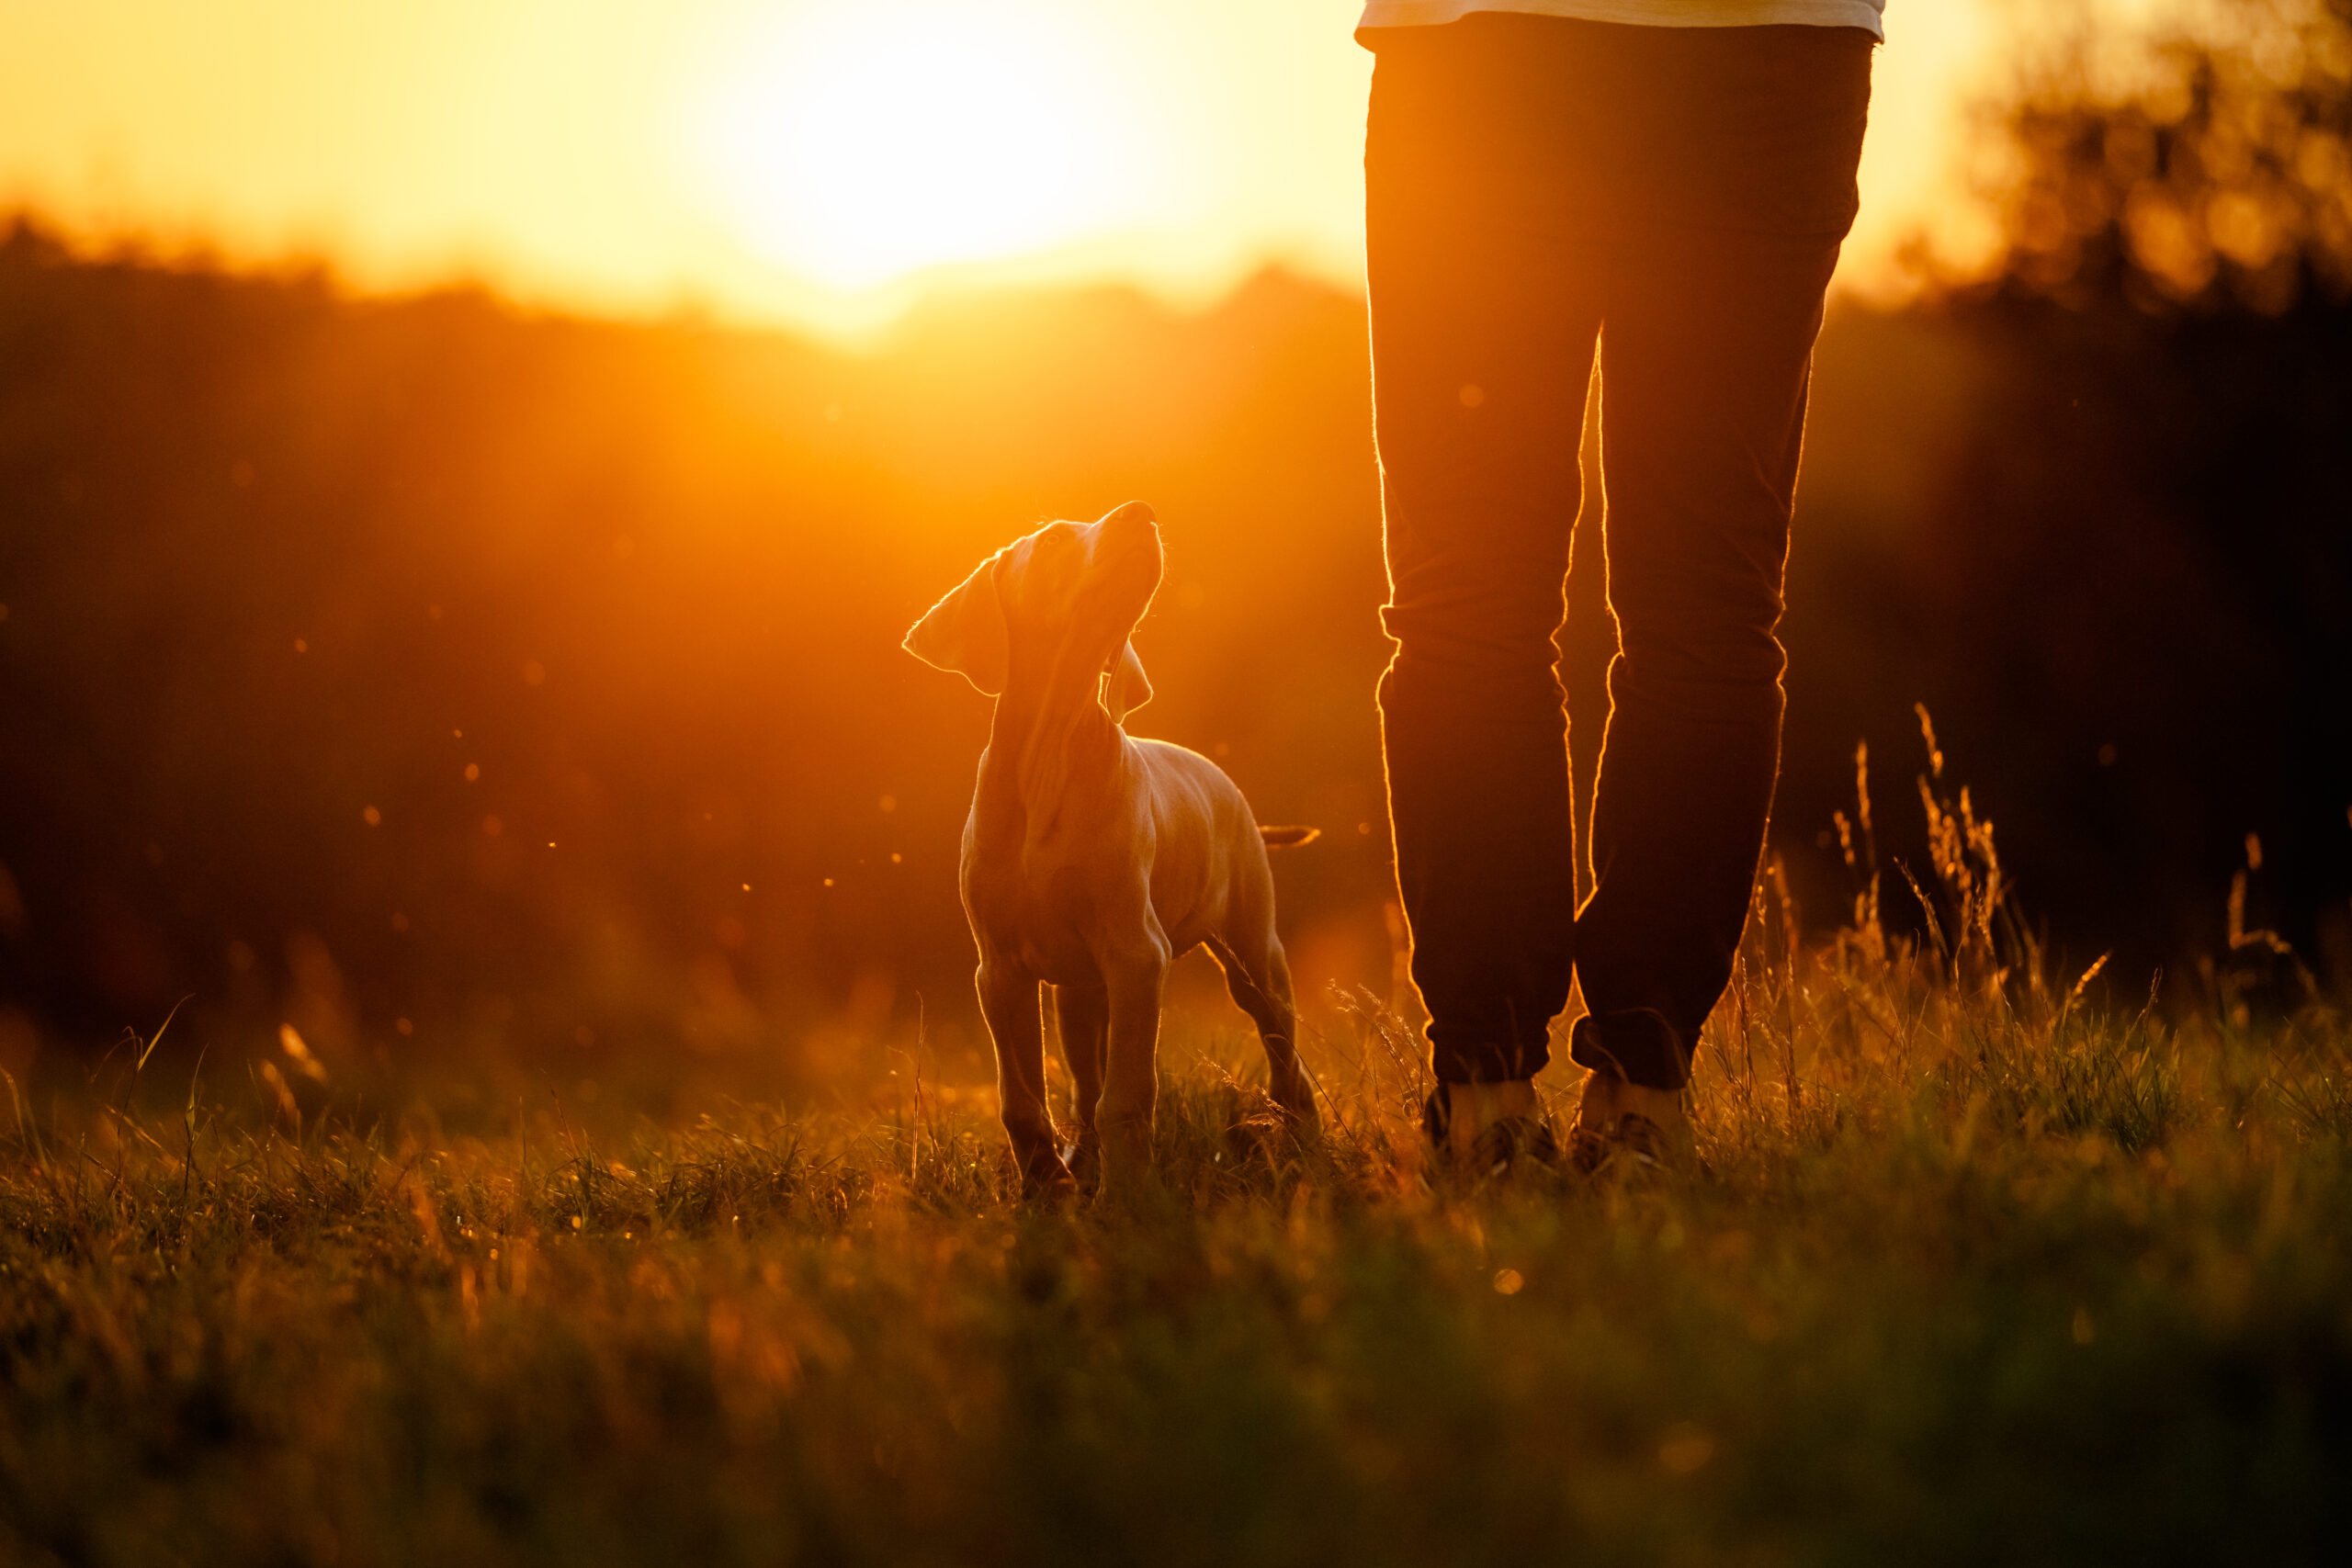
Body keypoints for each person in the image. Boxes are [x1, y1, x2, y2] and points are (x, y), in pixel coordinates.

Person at [1357, 0, 1883, 1173]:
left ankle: (1487, 1095)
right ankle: (1644, 1091)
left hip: (1487, 51)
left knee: (1470, 597)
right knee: (1706, 606)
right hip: (1767, 57)